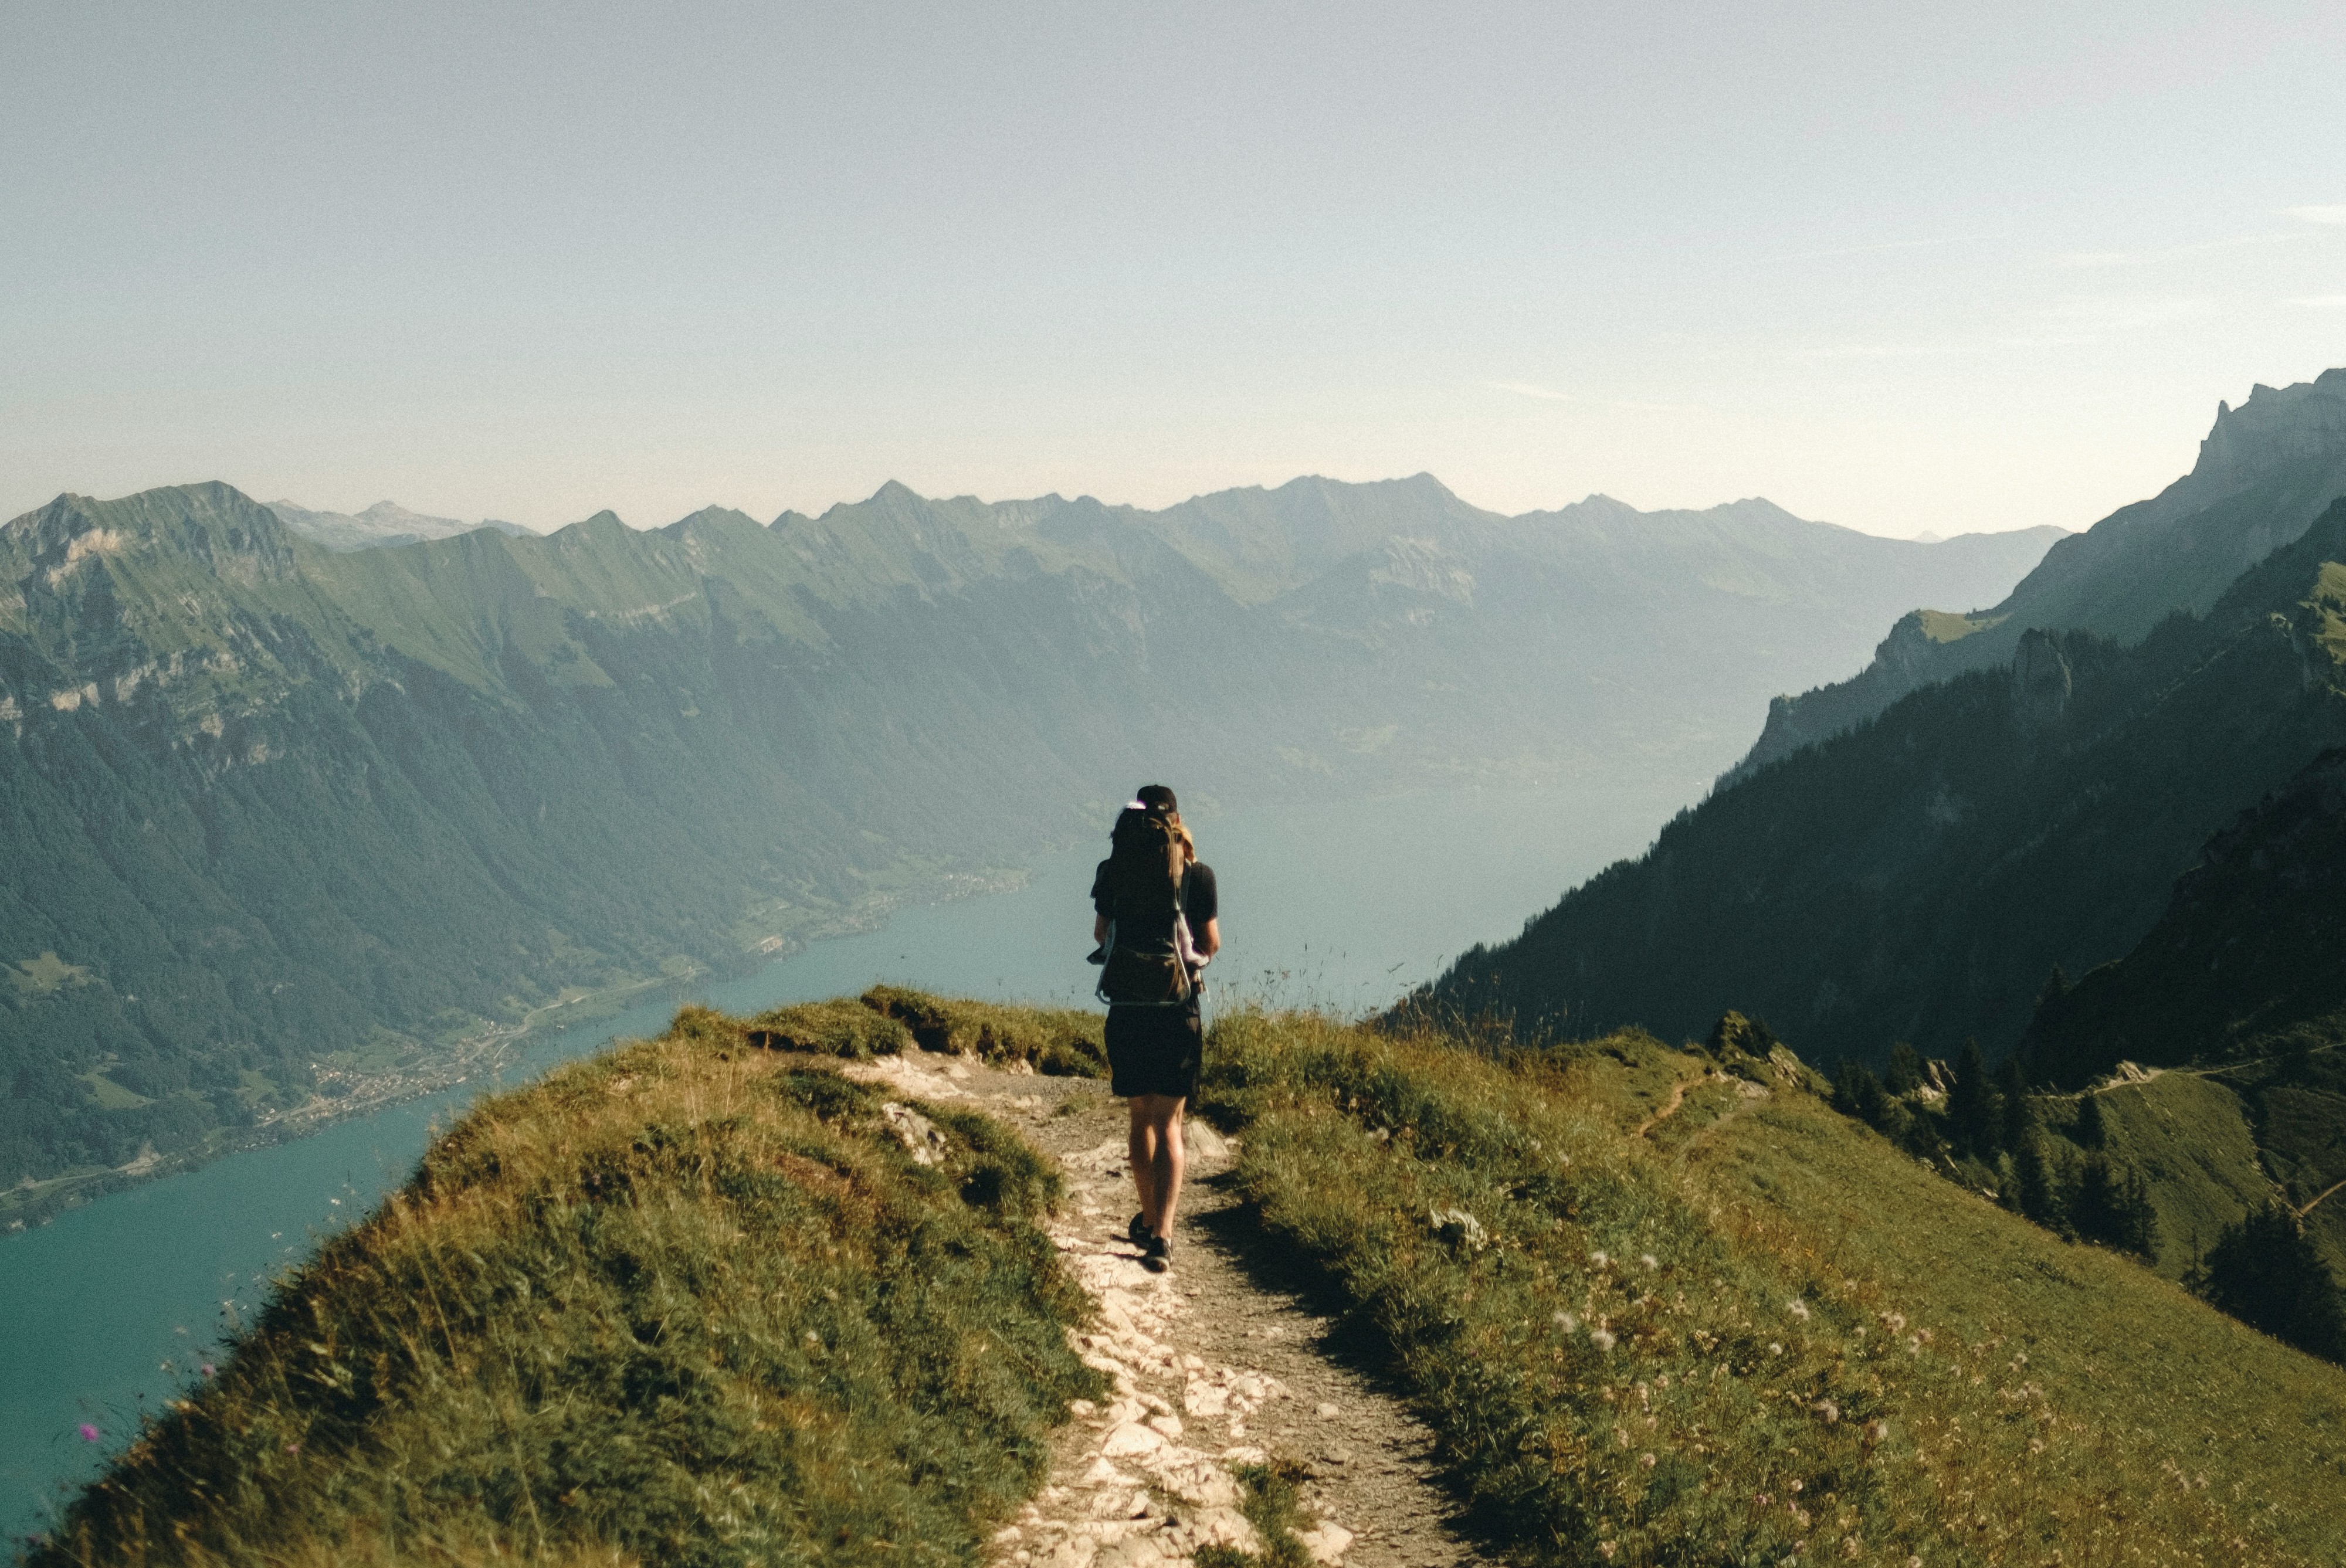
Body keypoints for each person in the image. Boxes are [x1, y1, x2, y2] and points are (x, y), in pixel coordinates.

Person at [1089, 783, 1219, 1272]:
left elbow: (1102, 935)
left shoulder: (1112, 871)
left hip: (1126, 1009)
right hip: (1177, 1011)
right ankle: (1162, 1236)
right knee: (1171, 1124)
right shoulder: (1198, 876)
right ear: (1176, 821)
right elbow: (1211, 943)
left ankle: (1147, 1217)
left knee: (1140, 1118)